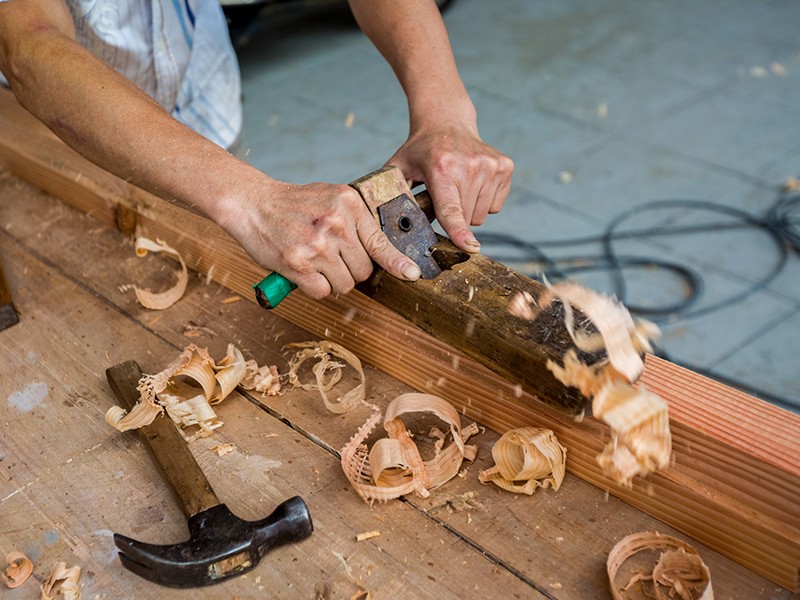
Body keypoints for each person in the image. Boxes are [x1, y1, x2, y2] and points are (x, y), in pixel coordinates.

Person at [0, 0, 513, 300]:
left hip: (203, 105)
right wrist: (249, 200)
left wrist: (444, 109)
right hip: (57, 139)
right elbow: (29, 46)